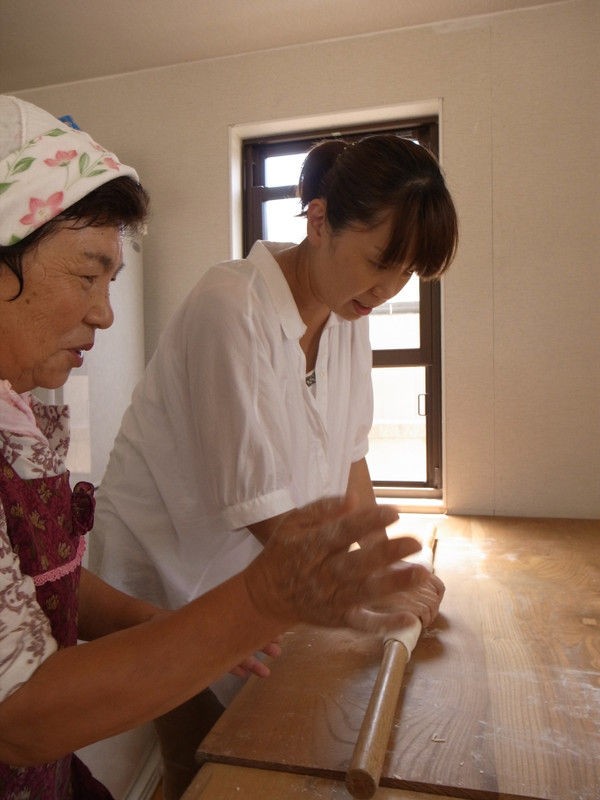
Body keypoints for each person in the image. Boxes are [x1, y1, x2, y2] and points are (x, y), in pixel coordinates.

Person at [0, 95, 445, 800]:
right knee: (215, 768)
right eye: (87, 276)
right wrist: (348, 590)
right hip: (175, 575)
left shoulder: (27, 416)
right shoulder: (229, 306)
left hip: (186, 607)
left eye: (407, 276)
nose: (106, 314)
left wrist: (373, 570)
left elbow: (349, 457)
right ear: (322, 222)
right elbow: (262, 509)